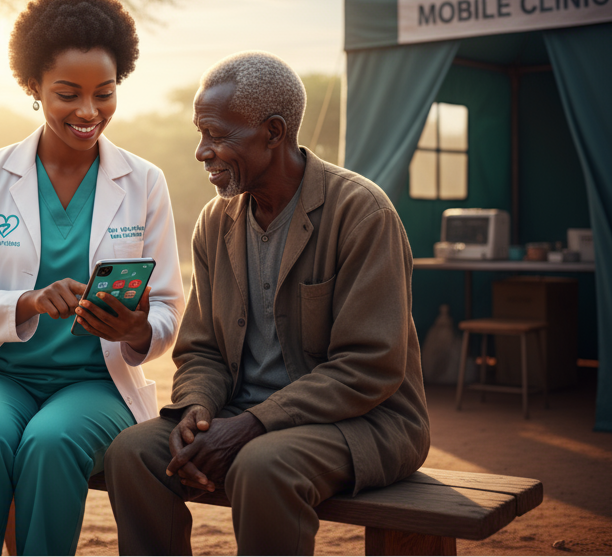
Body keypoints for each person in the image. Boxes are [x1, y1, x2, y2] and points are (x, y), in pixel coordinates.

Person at [104, 51, 431, 555]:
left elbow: (370, 366)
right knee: (133, 452)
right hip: (238, 414)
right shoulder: (216, 222)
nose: (201, 151)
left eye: (216, 135)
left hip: (365, 421)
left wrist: (253, 424)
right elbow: (202, 350)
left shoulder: (362, 213)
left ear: (274, 132)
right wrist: (196, 408)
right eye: (200, 133)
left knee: (264, 464)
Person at [0, 0, 185, 556]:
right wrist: (28, 302)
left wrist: (136, 329)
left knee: (51, 443)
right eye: (68, 94)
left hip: (95, 384)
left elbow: (166, 308)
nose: (88, 112)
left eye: (104, 94)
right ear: (34, 88)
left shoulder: (144, 182)